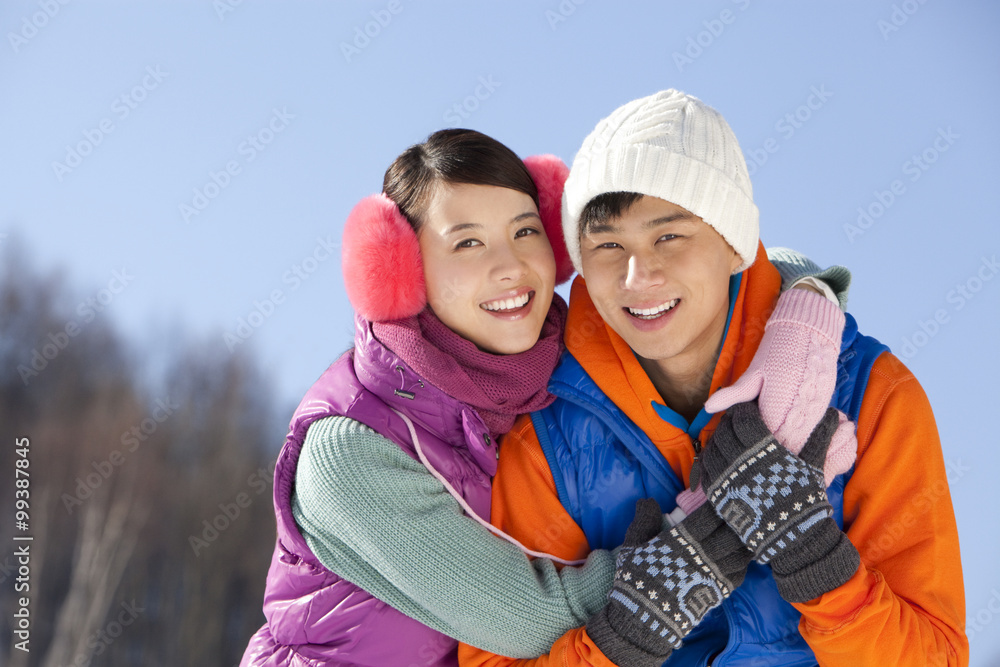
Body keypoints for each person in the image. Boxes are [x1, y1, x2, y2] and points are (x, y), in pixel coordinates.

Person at [239, 128, 851, 666]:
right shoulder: (348, 451)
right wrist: (727, 520)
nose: (511, 266)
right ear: (399, 269)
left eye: (525, 231)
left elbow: (725, 276)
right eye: (468, 243)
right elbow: (530, 620)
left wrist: (803, 317)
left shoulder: (557, 355)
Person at [460, 90, 968, 666]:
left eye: (669, 236)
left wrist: (817, 563)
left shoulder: (869, 395)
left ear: (732, 246)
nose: (637, 275)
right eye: (607, 245)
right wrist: (624, 638)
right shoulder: (547, 441)